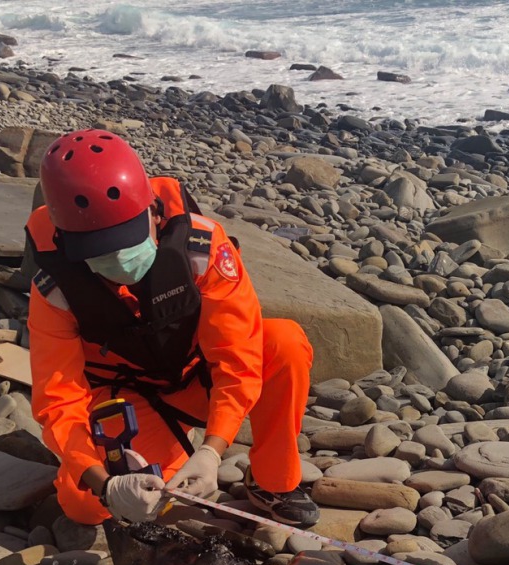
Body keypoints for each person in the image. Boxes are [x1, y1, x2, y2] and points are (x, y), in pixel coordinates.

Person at [26, 129, 318, 527]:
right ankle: (161, 458)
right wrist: (101, 483)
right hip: (127, 398)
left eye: (128, 238)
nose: (120, 259)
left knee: (283, 341)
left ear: (153, 211)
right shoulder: (54, 286)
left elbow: (237, 359)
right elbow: (58, 400)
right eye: (101, 250)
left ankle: (273, 481)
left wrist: (212, 452)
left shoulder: (202, 247)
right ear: (68, 240)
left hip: (198, 377)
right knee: (84, 505)